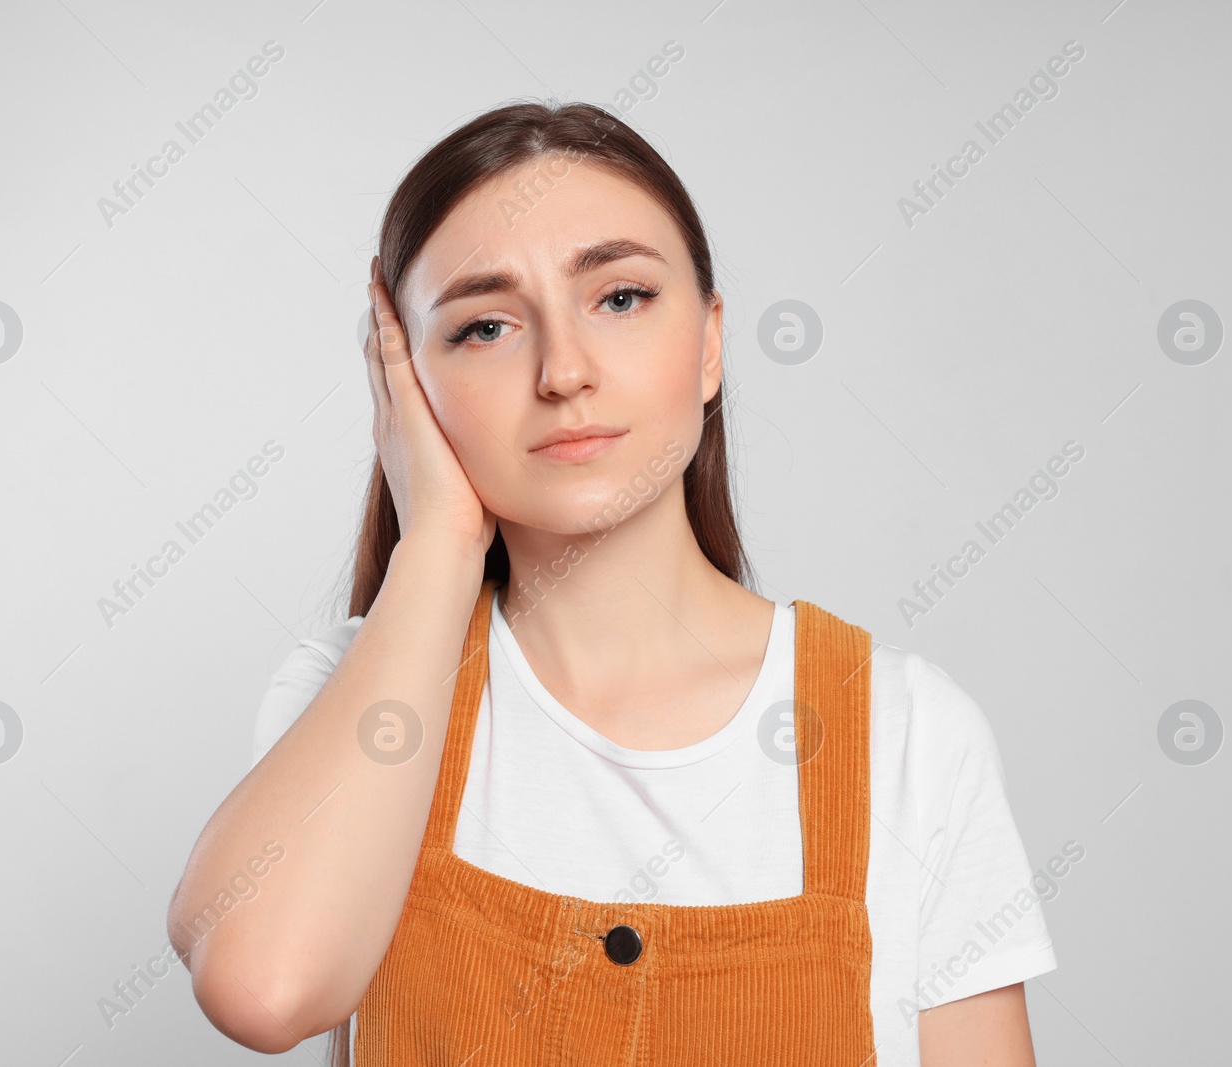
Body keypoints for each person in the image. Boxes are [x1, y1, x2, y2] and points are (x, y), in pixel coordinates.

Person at [168, 100, 1056, 1065]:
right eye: (485, 327)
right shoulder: (356, 693)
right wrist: (437, 543)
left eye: (621, 298)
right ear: (405, 388)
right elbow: (263, 989)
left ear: (710, 343)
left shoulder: (907, 730)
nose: (565, 370)